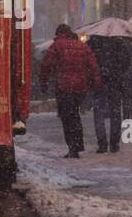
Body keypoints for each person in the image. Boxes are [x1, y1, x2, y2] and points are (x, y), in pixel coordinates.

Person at [39, 24, 101, 158]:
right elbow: (93, 65)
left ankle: (73, 146)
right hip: (80, 87)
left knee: (67, 117)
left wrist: (43, 82)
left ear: (59, 33)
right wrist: (94, 82)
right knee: (75, 114)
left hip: (64, 86)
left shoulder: (57, 46)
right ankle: (77, 144)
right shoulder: (82, 45)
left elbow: (46, 64)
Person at [87, 32, 132, 153]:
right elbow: (126, 62)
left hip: (99, 82)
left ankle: (102, 143)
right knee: (115, 113)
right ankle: (114, 143)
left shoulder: (93, 44)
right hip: (115, 82)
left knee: (98, 113)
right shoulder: (119, 44)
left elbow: (88, 62)